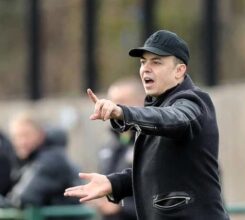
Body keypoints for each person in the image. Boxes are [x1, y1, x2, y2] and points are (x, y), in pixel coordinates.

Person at [64, 30, 230, 220]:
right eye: (143, 62)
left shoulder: (194, 101)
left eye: (156, 62)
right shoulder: (157, 107)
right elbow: (157, 170)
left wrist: (123, 112)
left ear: (179, 70)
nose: (146, 68)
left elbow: (176, 118)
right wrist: (114, 183)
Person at [1, 112, 81, 209]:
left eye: (26, 135)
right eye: (17, 137)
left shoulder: (51, 160)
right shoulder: (27, 161)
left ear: (40, 135)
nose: (22, 142)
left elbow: (22, 199)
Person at [94, 78, 144, 220]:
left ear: (139, 102)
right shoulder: (108, 145)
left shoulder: (152, 140)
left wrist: (122, 208)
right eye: (111, 101)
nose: (112, 107)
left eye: (121, 100)